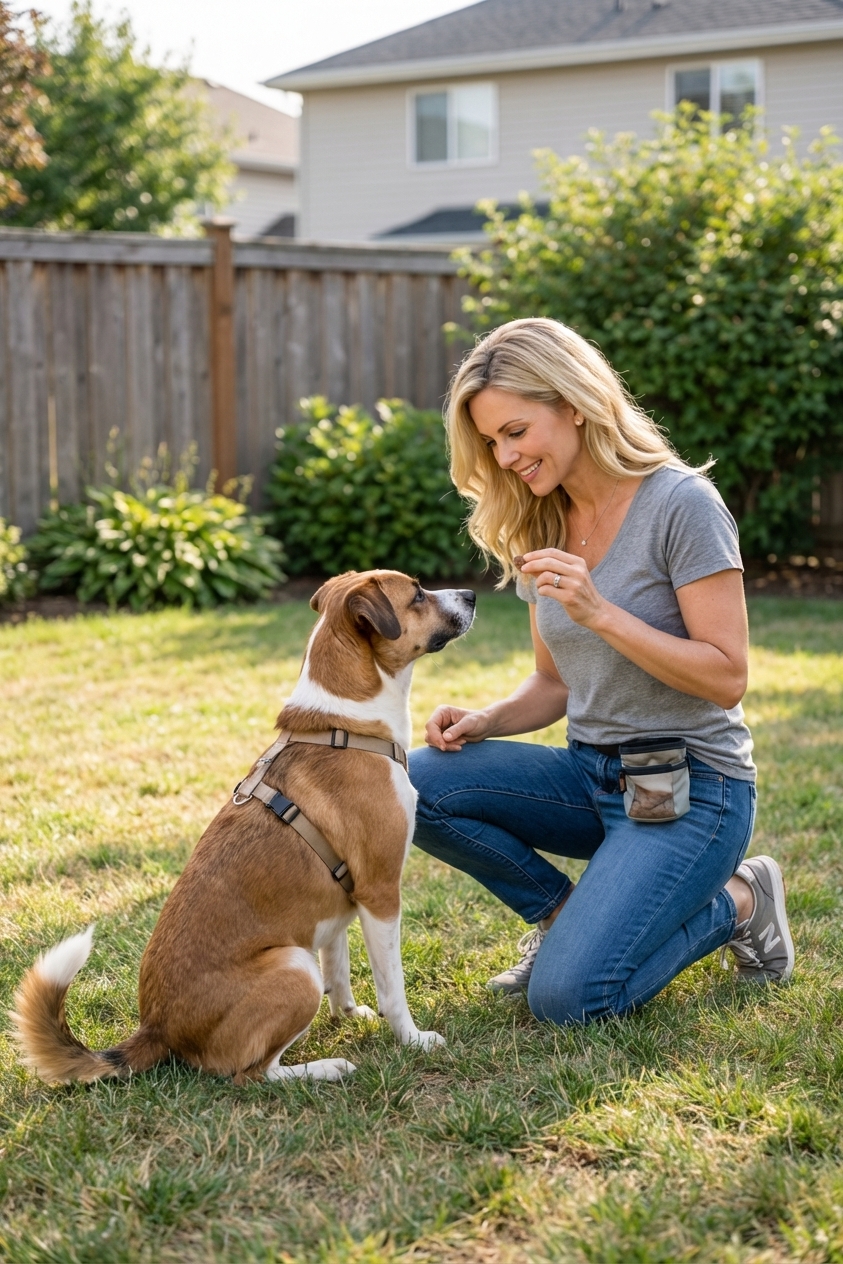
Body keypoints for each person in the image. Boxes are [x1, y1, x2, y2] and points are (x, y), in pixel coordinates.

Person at [409, 317, 793, 1027]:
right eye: (491, 442)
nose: (505, 457)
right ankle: (563, 918)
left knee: (568, 1000)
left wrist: (601, 610)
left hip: (690, 788)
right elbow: (553, 683)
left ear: (574, 403)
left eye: (515, 431)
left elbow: (725, 675)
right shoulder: (540, 521)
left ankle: (741, 900)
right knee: (411, 782)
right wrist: (485, 720)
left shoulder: (680, 504)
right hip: (590, 775)